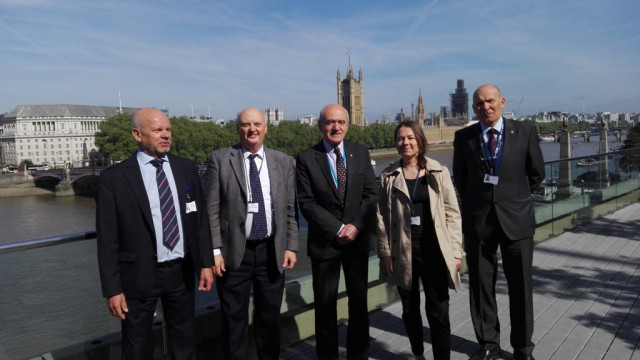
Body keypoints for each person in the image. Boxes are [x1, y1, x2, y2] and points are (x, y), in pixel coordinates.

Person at [96, 108, 214, 359]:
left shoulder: (186, 168)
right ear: (137, 134)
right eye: (158, 130)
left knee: (184, 342)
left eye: (168, 129)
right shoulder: (114, 178)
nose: (165, 135)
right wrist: (112, 289)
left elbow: (199, 221)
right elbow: (107, 240)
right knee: (137, 346)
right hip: (137, 276)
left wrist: (205, 263)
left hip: (181, 273)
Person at [453, 84, 544, 360]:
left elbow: (536, 173)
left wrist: (511, 197)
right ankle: (489, 345)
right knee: (481, 289)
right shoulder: (464, 136)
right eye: (479, 104)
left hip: (516, 221)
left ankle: (522, 349)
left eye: (490, 101)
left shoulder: (525, 131)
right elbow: (461, 178)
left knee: (521, 289)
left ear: (502, 102)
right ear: (473, 107)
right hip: (479, 223)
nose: (485, 107)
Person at [203, 107, 298, 360]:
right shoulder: (220, 159)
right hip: (234, 253)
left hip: (271, 251)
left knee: (269, 319)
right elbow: (210, 211)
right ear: (238, 129)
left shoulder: (283, 161)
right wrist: (214, 251)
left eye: (257, 124)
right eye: (246, 125)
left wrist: (291, 246)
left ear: (266, 128)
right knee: (234, 322)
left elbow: (290, 209)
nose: (252, 129)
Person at [296, 104, 378, 360]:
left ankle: (359, 355)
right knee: (325, 307)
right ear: (320, 126)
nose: (336, 127)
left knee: (359, 305)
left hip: (356, 242)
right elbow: (307, 203)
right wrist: (338, 228)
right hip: (325, 244)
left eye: (341, 122)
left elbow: (371, 194)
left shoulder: (360, 153)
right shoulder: (306, 157)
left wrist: (355, 226)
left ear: (348, 125)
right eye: (330, 122)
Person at [377, 120, 464, 360]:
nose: (405, 142)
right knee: (409, 309)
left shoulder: (439, 171)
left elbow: (452, 213)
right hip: (404, 251)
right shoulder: (388, 175)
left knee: (438, 311)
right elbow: (381, 217)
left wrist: (456, 251)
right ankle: (418, 354)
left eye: (410, 138)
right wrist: (385, 253)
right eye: (400, 138)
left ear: (420, 140)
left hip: (434, 250)